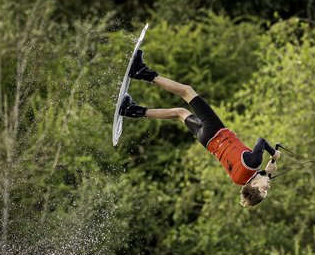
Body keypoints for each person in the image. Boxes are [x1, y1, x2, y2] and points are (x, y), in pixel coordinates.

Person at [118, 50, 280, 207]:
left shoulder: (254, 162)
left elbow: (261, 142)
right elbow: (252, 175)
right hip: (207, 142)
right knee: (179, 113)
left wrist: (274, 154)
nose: (269, 186)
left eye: (265, 189)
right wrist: (267, 171)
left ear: (255, 185)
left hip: (216, 131)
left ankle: (141, 72)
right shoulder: (239, 180)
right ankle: (132, 111)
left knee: (186, 91)